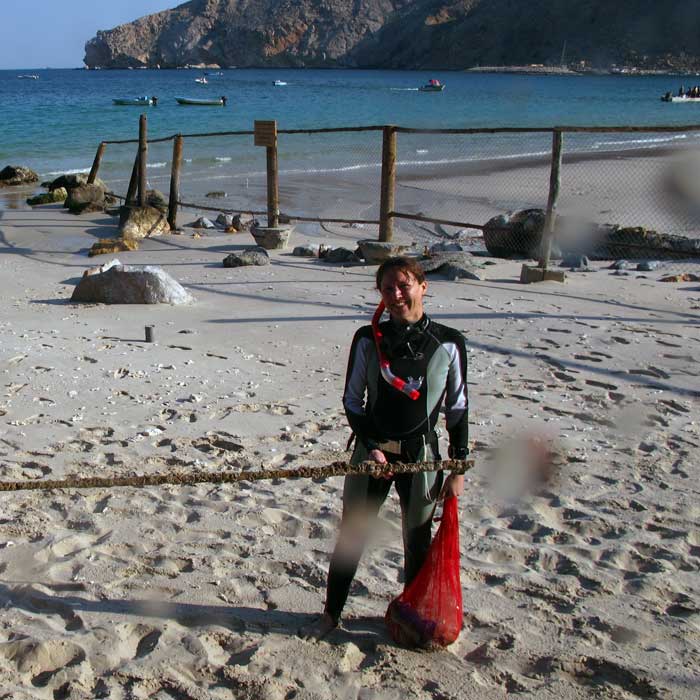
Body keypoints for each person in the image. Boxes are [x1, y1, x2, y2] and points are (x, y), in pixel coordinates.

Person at [301, 256, 469, 640]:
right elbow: (352, 401)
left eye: (403, 285)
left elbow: (457, 409)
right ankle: (331, 614)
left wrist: (457, 470)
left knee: (418, 538)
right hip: (370, 455)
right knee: (352, 535)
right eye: (387, 288)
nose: (395, 295)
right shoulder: (367, 338)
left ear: (423, 286)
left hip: (421, 457)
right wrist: (372, 447)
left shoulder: (448, 342)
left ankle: (413, 615)